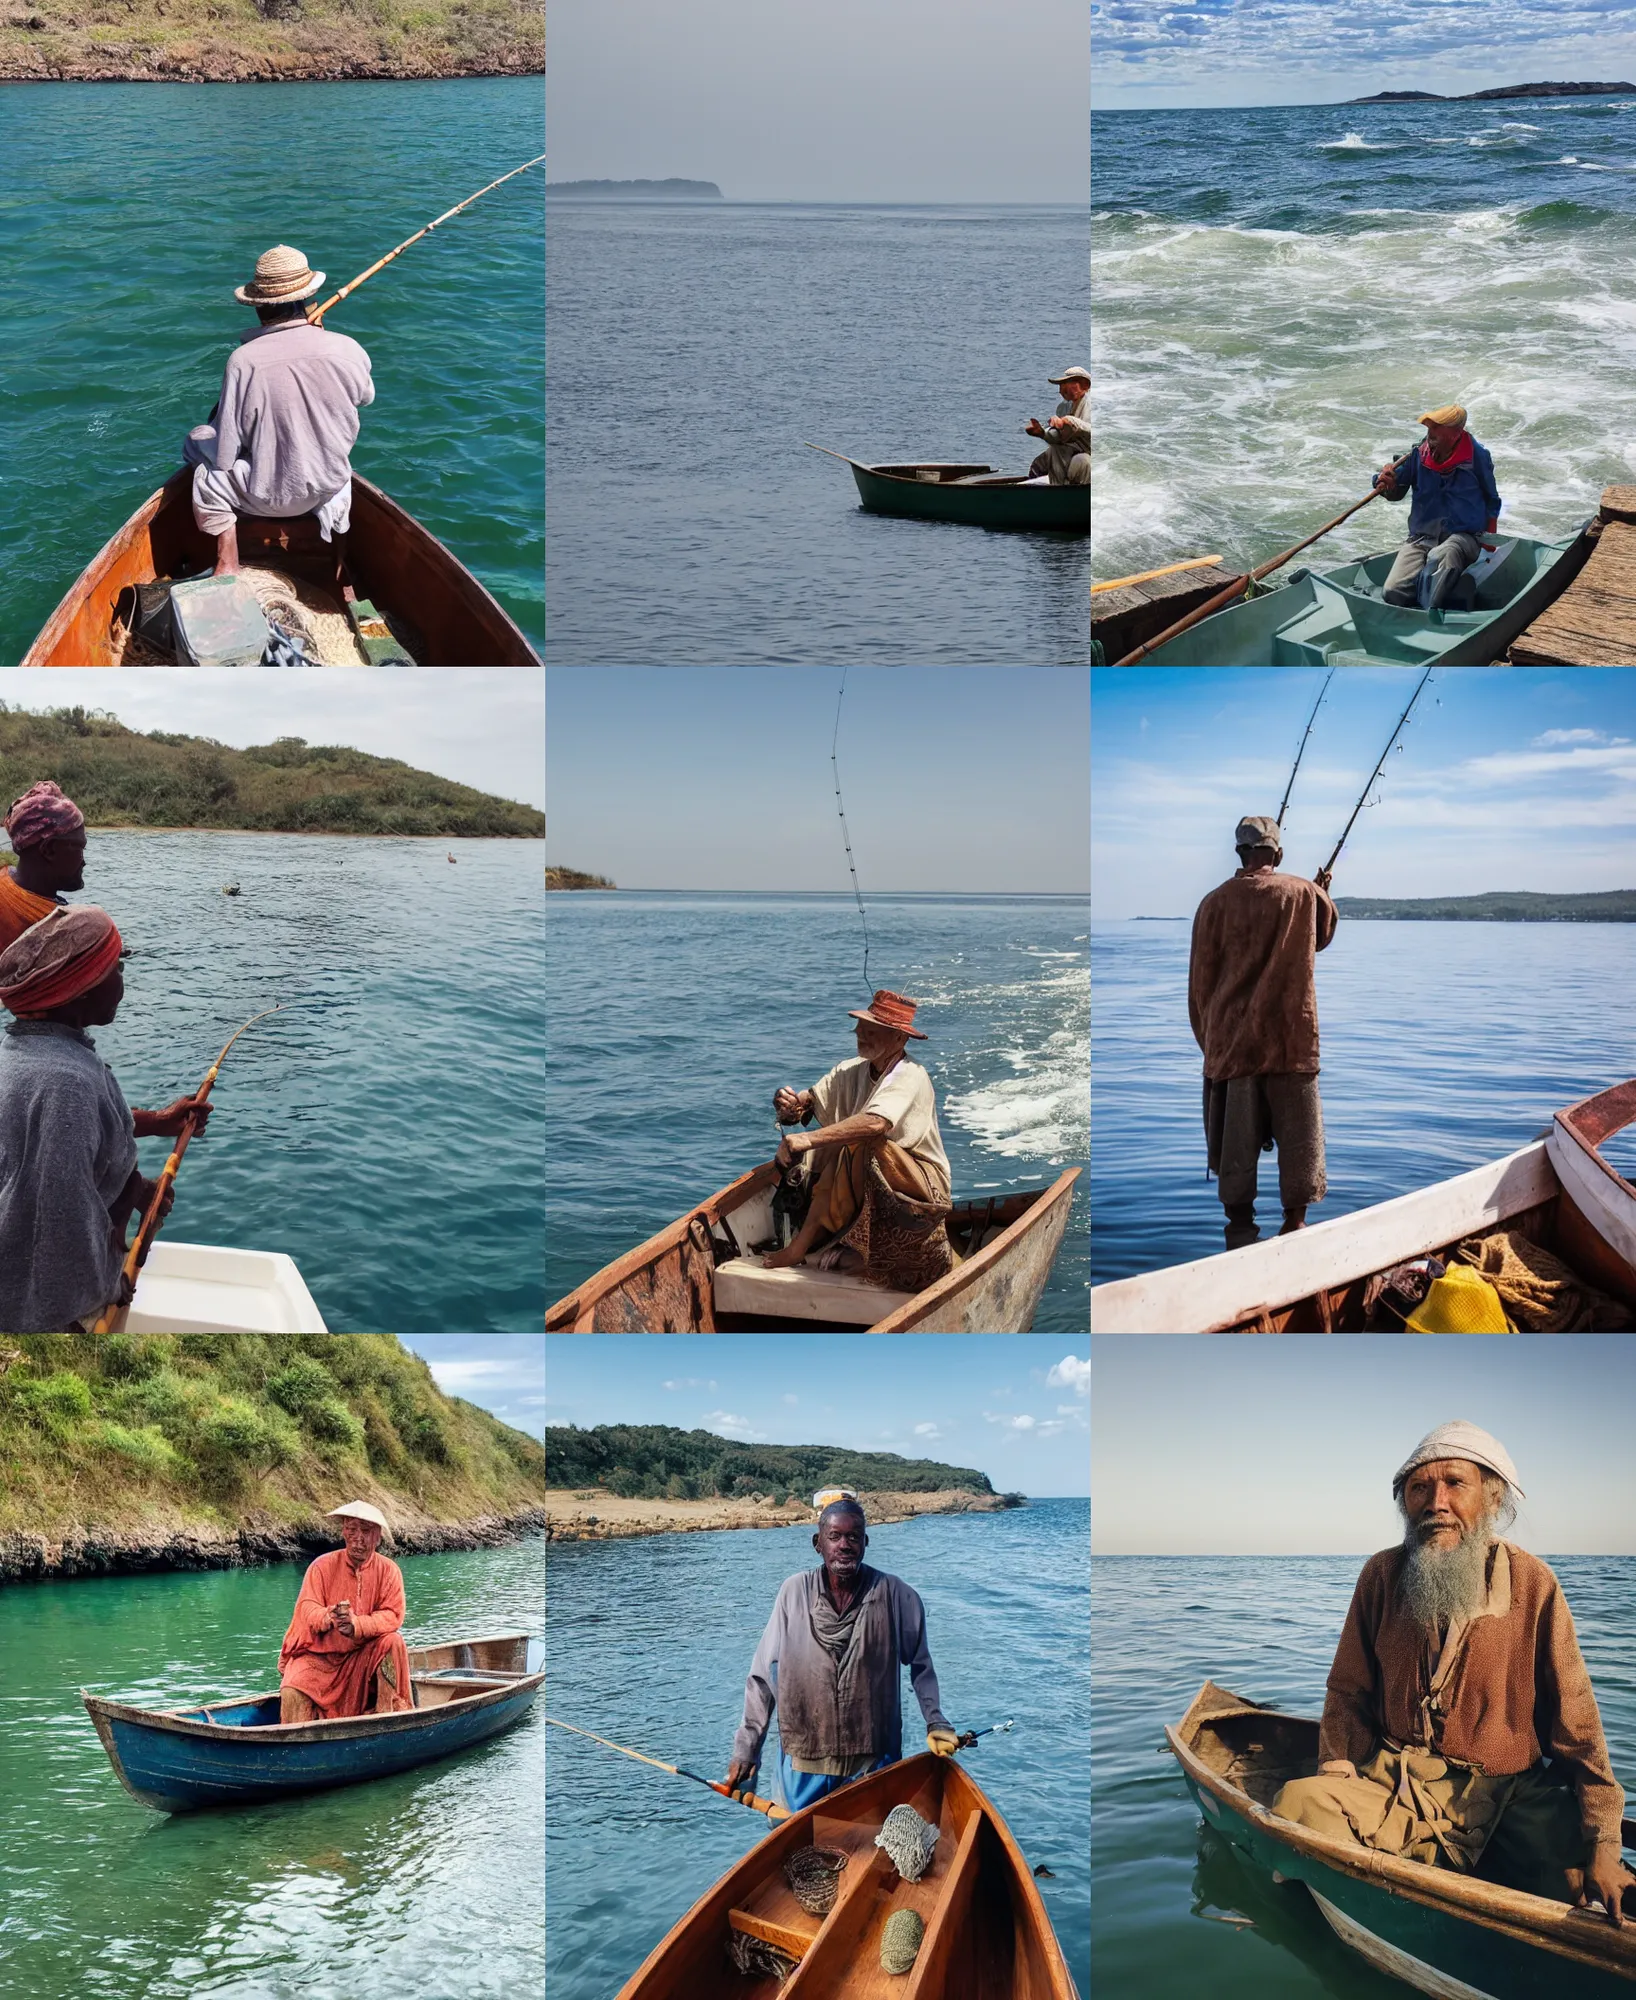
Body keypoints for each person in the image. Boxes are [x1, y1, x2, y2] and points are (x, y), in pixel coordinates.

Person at [1272, 1422, 1632, 1925]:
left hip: (1510, 1793)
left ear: (1491, 1497)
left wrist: (1604, 1842)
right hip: (1397, 1784)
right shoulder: (1382, 1575)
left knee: (1590, 1893)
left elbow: (1579, 1728)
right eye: (1420, 1487)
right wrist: (1339, 1767)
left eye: (1455, 1484)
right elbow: (1347, 1691)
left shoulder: (1535, 1584)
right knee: (1298, 1802)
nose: (1436, 1502)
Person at [0, 906, 211, 1334]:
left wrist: (155, 1123)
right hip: (51, 1316)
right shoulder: (67, 1083)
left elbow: (62, 1141)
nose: (121, 982)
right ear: (80, 989)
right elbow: (60, 1220)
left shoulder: (26, 1058)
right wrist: (99, 1293)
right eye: (115, 968)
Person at [722, 1493, 959, 1812]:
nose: (844, 1544)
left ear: (866, 1542)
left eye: (853, 1536)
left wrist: (936, 1721)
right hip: (805, 1763)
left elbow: (922, 1665)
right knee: (804, 1848)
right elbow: (763, 1677)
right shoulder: (793, 1592)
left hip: (873, 1763)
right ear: (817, 1543)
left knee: (874, 1849)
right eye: (834, 1536)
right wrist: (747, 1747)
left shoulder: (896, 1595)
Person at [1188, 815, 1337, 1250]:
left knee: (1236, 1154)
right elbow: (1321, 934)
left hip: (1233, 1049)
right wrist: (1322, 891)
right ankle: (1295, 1224)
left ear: (1239, 853)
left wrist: (1211, 1047)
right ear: (1279, 853)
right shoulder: (1303, 894)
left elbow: (1200, 983)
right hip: (1292, 1043)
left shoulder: (1211, 904)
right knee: (1300, 1147)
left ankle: (1240, 1231)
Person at [183, 245, 375, 577]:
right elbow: (365, 397)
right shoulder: (347, 348)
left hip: (267, 495)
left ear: (258, 307)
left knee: (203, 474)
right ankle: (340, 563)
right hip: (328, 488)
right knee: (340, 466)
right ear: (309, 299)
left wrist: (197, 443)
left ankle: (227, 563)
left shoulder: (244, 361)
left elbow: (225, 453)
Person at [762, 988, 954, 1289]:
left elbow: (876, 1123)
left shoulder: (910, 1075)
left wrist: (808, 1139)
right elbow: (805, 1104)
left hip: (920, 1186)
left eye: (872, 1031)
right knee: (831, 1145)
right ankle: (828, 1243)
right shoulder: (850, 1071)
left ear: (899, 1039)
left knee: (859, 1138)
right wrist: (787, 1104)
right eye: (860, 1029)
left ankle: (801, 1245)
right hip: (865, 1177)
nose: (860, 1036)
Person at [278, 1501, 414, 1722]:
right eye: (351, 1530)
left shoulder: (389, 1571)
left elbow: (392, 1615)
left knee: (393, 1642)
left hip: (362, 1656)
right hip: (320, 1657)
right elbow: (307, 1608)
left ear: (377, 1537)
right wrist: (329, 1616)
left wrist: (357, 1625)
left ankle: (386, 1718)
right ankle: (295, 1741)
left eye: (366, 1532)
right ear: (343, 1532)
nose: (358, 1539)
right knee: (292, 1688)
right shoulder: (321, 1566)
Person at [1373, 405, 1501, 610]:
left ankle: (1428, 613)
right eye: (1429, 429)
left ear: (1456, 434)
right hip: (1423, 537)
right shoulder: (1417, 454)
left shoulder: (1477, 456)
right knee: (1392, 591)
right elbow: (1395, 491)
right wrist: (1385, 482)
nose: (1430, 435)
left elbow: (1492, 499)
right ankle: (1431, 590)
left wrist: (1489, 545)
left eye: (1436, 429)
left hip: (1465, 537)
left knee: (1444, 554)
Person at [0, 782, 87, 954]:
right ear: (49, 850)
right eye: (80, 848)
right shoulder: (59, 930)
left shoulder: (4, 879)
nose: (84, 861)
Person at [1025, 367, 1090, 486]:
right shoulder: (1063, 407)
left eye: (1066, 384)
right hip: (1069, 451)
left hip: (1088, 453)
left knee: (1081, 461)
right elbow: (1059, 437)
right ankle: (1056, 489)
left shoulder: (1090, 404)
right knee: (1049, 455)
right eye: (1061, 385)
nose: (1061, 390)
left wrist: (1068, 421)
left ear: (1084, 385)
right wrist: (1042, 433)